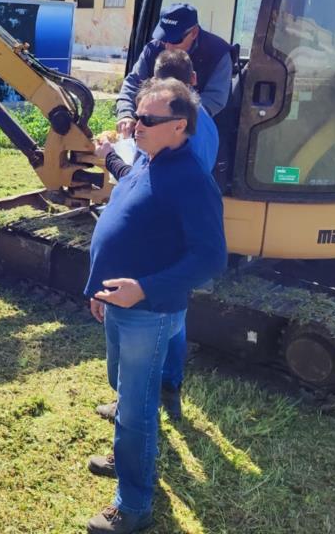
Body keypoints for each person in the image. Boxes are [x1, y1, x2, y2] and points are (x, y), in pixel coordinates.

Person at [83, 79, 226, 534]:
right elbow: (127, 186)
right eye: (136, 115)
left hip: (148, 310)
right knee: (124, 392)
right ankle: (129, 456)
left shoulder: (189, 179)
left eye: (147, 119)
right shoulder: (149, 160)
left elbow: (211, 257)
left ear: (179, 126)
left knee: (137, 407)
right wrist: (100, 288)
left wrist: (141, 289)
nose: (135, 124)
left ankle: (134, 506)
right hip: (117, 303)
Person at [94, 49, 218, 422]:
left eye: (147, 117)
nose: (141, 124)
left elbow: (148, 181)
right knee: (174, 325)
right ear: (193, 79)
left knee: (159, 329)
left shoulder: (174, 151)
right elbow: (140, 176)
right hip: (171, 249)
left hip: (157, 259)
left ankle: (137, 404)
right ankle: (167, 388)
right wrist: (111, 158)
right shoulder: (201, 121)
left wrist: (114, 154)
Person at [115, 3, 231, 137]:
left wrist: (169, 118)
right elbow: (132, 83)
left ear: (193, 33)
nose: (168, 46)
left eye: (175, 40)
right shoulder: (152, 49)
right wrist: (126, 114)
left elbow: (215, 98)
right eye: (164, 38)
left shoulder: (218, 52)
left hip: (198, 130)